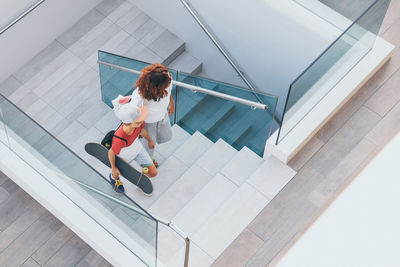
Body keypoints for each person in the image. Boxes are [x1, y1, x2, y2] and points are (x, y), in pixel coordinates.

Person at [108, 95, 158, 194]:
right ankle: (113, 177)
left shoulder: (138, 122)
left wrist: (149, 140)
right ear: (127, 124)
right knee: (118, 173)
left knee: (153, 173)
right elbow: (111, 152)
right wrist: (114, 168)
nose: (141, 122)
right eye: (137, 122)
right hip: (124, 154)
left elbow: (142, 129)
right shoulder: (119, 138)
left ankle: (141, 180)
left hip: (137, 148)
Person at [131, 63, 174, 167]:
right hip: (147, 125)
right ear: (157, 86)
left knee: (166, 136)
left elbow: (169, 91)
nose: (170, 80)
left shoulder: (167, 80)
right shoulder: (139, 99)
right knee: (149, 147)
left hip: (162, 116)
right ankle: (148, 162)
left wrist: (171, 103)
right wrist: (148, 139)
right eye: (167, 81)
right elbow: (134, 121)